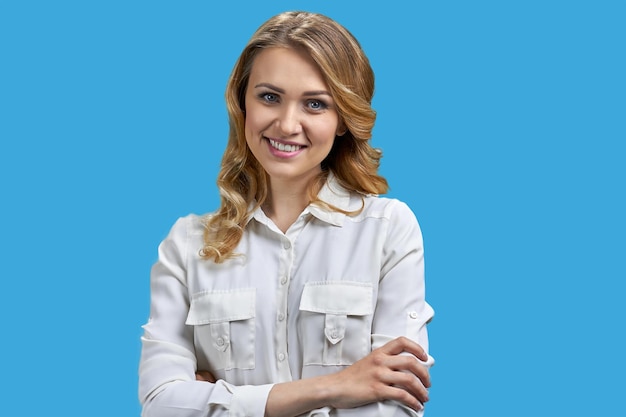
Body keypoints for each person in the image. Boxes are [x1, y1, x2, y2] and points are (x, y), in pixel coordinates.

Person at [138, 10, 435, 417]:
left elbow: (394, 405)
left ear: (344, 119)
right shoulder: (187, 245)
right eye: (269, 97)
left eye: (315, 104)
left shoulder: (388, 231)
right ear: (242, 102)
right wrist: (334, 387)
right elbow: (161, 406)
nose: (287, 124)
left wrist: (221, 400)